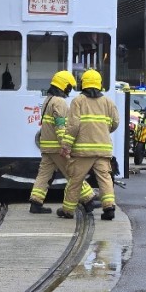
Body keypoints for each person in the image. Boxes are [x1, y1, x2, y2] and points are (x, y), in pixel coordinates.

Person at [28, 70, 96, 214]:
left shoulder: (48, 100)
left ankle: (35, 202)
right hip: (57, 147)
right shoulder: (59, 102)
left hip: (47, 147)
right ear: (63, 85)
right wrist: (66, 145)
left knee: (44, 175)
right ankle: (89, 199)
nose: (69, 91)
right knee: (73, 173)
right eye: (69, 87)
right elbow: (60, 126)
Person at [57, 69, 119, 221]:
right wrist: (103, 131)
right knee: (105, 179)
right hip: (103, 149)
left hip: (83, 150)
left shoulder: (78, 101)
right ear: (99, 84)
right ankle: (109, 207)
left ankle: (68, 210)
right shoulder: (108, 102)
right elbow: (115, 122)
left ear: (83, 83)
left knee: (76, 180)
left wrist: (66, 145)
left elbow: (73, 126)